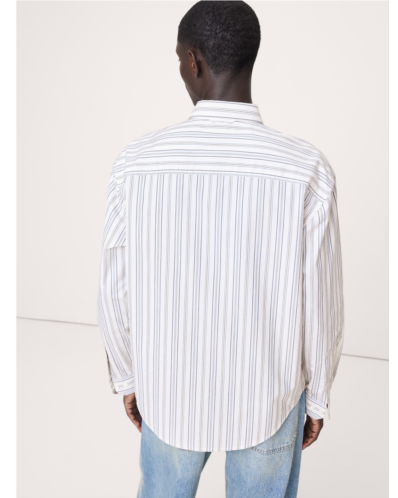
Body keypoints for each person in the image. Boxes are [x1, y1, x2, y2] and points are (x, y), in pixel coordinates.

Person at [98, 1, 344, 496]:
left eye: (179, 60)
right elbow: (320, 300)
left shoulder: (136, 164)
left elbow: (114, 287)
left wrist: (127, 376)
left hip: (168, 391)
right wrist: (317, 396)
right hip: (269, 398)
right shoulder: (306, 169)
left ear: (193, 61)